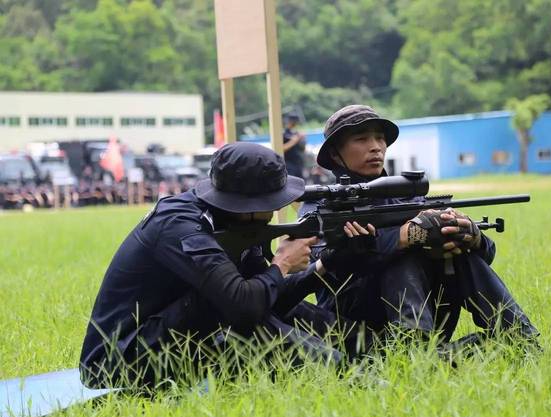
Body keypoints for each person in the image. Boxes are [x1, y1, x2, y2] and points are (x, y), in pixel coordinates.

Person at [79, 143, 371, 388]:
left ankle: (367, 349)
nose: (275, 211)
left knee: (265, 304)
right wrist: (281, 265)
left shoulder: (239, 223)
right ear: (242, 205)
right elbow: (244, 307)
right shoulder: (180, 225)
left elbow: (268, 297)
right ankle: (342, 374)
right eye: (271, 203)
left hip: (171, 336)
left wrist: (324, 263)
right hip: (115, 363)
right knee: (229, 305)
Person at [300, 105, 539, 355]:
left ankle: (521, 337)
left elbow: (485, 255)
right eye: (361, 139)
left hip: (429, 314)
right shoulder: (320, 205)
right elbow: (320, 261)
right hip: (353, 323)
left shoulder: (403, 196)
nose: (376, 147)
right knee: (404, 251)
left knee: (455, 249)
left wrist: (473, 237)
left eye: (380, 138)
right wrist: (404, 237)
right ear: (336, 155)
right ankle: (416, 351)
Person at [282, 112, 307, 180]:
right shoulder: (283, 134)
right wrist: (294, 141)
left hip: (298, 163)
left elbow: (303, 149)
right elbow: (281, 149)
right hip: (288, 164)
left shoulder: (296, 133)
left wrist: (302, 140)